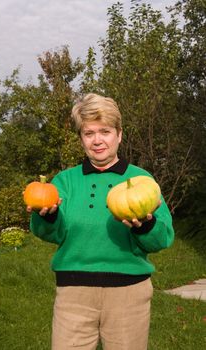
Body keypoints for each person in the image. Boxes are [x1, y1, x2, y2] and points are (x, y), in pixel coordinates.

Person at [28, 93, 174, 350]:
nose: (97, 140)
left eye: (104, 131)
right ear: (81, 138)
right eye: (89, 133)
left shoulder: (142, 181)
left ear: (119, 134)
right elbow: (50, 232)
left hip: (128, 294)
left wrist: (146, 226)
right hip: (73, 294)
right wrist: (48, 217)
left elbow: (162, 238)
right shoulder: (65, 181)